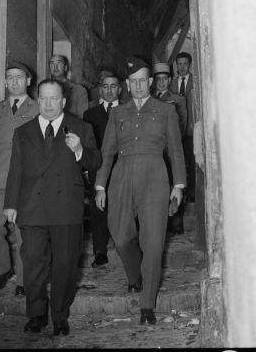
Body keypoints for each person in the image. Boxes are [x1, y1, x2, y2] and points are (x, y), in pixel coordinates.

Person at [4, 79, 101, 337]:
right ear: (38, 100)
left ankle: (60, 315)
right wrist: (10, 204)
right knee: (34, 263)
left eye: (54, 99)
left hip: (66, 207)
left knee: (66, 265)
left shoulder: (81, 127)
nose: (48, 104)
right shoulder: (23, 131)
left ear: (64, 101)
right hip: (32, 207)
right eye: (43, 99)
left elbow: (96, 161)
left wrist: (80, 150)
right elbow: (15, 170)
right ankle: (36, 315)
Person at [95, 57, 186, 325]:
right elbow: (107, 152)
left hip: (154, 176)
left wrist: (178, 186)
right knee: (121, 237)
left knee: (154, 243)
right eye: (132, 82)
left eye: (141, 81)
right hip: (121, 177)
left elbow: (177, 152)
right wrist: (100, 185)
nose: (137, 86)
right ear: (127, 84)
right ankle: (135, 275)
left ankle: (147, 304)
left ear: (149, 82)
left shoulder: (166, 110)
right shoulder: (118, 113)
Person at [0, 61, 39, 296]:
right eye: (10, 78)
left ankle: (23, 279)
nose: (14, 82)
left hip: (26, 180)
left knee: (23, 231)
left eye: (19, 77)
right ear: (5, 82)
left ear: (28, 81)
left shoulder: (37, 108)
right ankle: (1, 269)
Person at [82, 71, 122, 268]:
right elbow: (88, 144)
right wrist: (87, 169)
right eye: (105, 86)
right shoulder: (90, 114)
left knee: (122, 208)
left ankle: (125, 246)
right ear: (100, 90)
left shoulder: (127, 110)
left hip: (122, 167)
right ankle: (100, 251)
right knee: (98, 210)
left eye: (113, 86)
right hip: (98, 167)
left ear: (120, 90)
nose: (109, 90)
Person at [151, 62, 188, 236]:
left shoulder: (178, 99)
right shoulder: (149, 100)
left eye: (164, 79)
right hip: (154, 150)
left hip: (170, 149)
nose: (161, 83)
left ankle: (176, 223)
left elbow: (181, 125)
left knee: (176, 182)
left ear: (170, 80)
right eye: (158, 79)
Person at [170, 51, 195, 201]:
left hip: (191, 129)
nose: (182, 67)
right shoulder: (171, 83)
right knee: (178, 161)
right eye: (179, 64)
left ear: (189, 65)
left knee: (191, 162)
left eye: (185, 64)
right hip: (177, 129)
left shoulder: (196, 82)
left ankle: (191, 195)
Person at [49, 54, 89, 118]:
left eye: (59, 63)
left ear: (65, 68)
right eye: (52, 64)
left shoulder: (79, 91)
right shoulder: (43, 90)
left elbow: (82, 119)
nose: (55, 67)